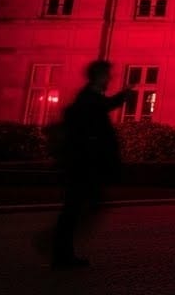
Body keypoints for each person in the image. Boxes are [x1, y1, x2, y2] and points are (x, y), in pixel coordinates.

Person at [50, 59, 135, 269]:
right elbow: (94, 123)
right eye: (107, 76)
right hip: (83, 165)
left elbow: (103, 107)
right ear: (99, 77)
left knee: (78, 207)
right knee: (76, 208)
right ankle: (60, 252)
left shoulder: (90, 98)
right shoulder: (88, 99)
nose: (109, 79)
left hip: (84, 164)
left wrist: (122, 96)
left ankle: (62, 251)